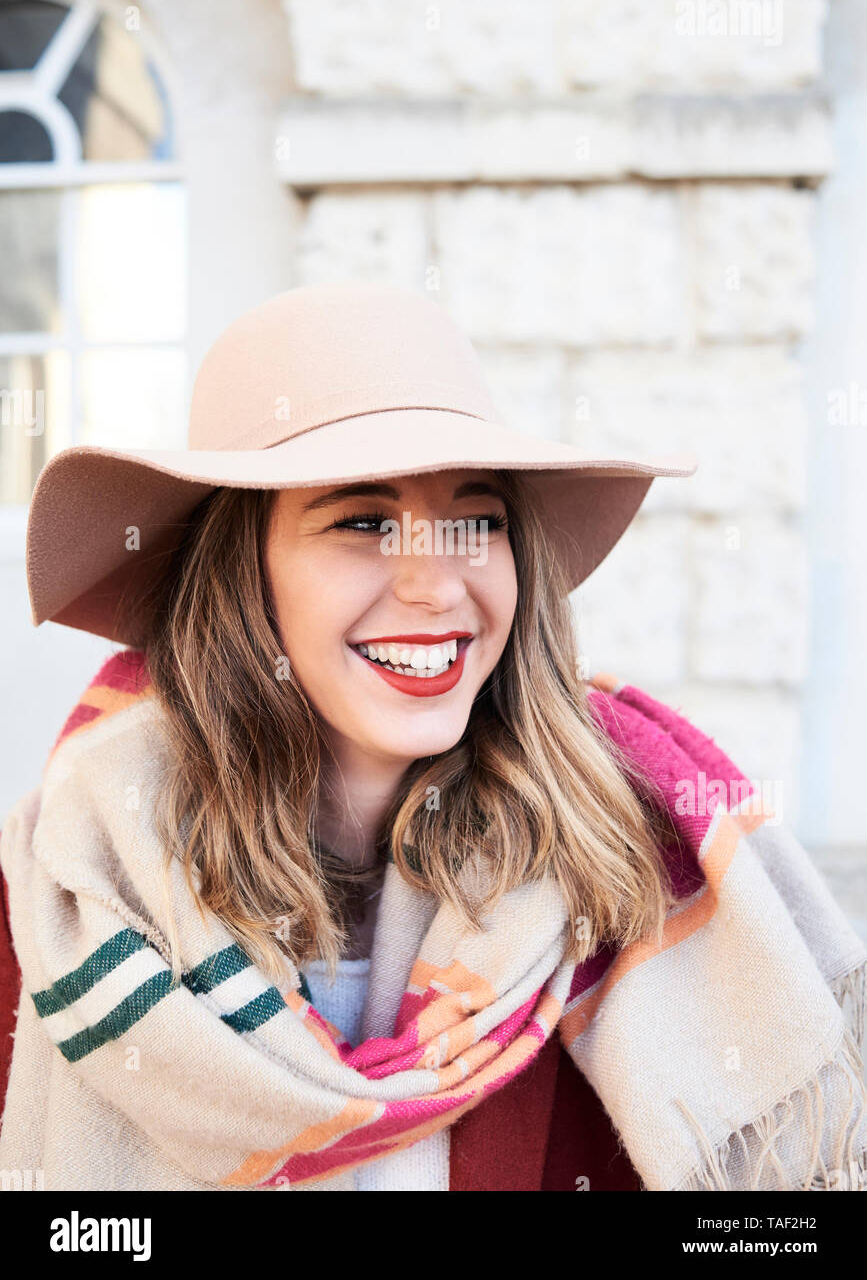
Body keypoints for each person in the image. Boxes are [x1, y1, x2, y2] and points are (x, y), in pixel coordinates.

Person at [0, 280, 864, 1192]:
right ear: (240, 574)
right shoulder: (72, 894)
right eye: (362, 522)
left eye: (476, 521)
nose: (438, 586)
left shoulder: (623, 873)